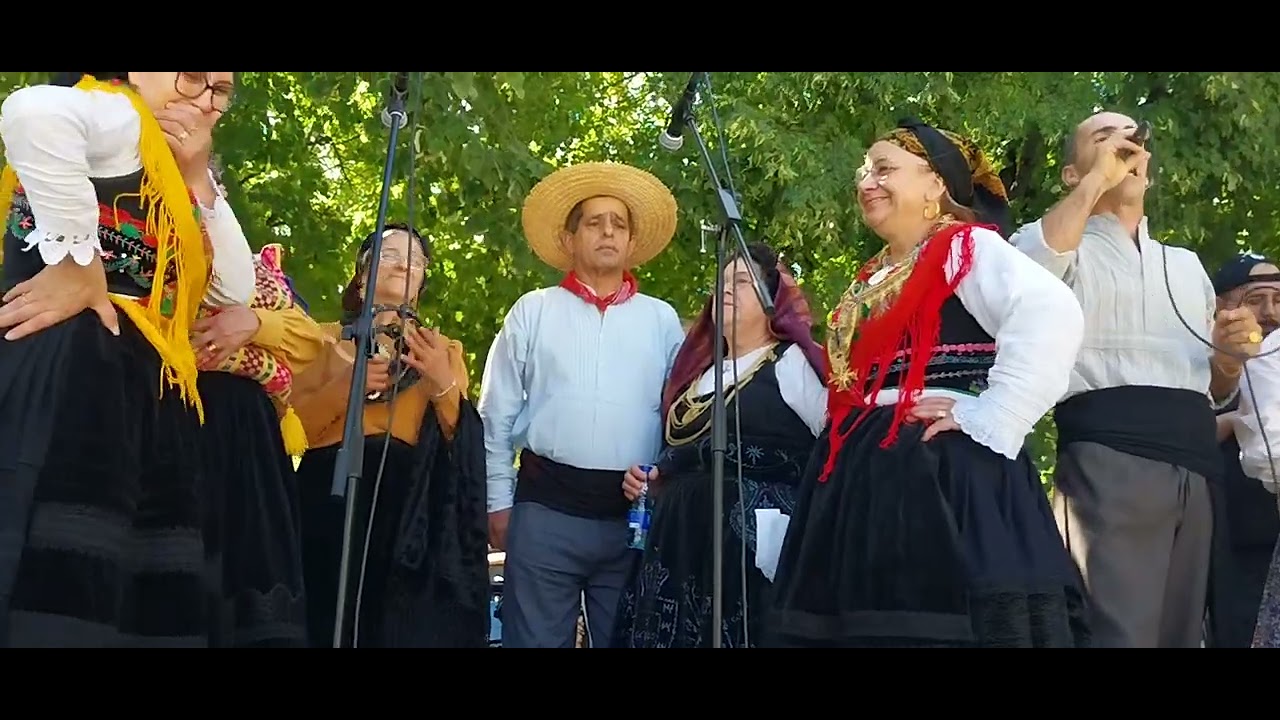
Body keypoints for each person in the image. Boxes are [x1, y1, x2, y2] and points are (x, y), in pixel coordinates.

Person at [768, 119, 1091, 648]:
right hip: (864, 479)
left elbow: (1048, 310)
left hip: (942, 475)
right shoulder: (871, 277)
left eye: (885, 168)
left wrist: (994, 414)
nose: (867, 181)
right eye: (864, 171)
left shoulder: (965, 248)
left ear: (936, 183)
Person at [0, 72, 255, 646]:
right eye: (192, 78)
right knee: (59, 575)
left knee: (124, 588)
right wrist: (75, 257)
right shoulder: (118, 117)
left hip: (141, 390)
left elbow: (232, 289)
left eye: (219, 90)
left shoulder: (172, 173)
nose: (204, 100)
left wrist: (196, 176)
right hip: (70, 369)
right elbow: (29, 112)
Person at [1010, 111, 1263, 648]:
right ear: (1071, 174)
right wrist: (1100, 179)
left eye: (1131, 138)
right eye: (1102, 139)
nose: (1123, 147)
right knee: (1113, 631)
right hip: (1111, 457)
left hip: (1194, 464)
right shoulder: (1057, 243)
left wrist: (1230, 360)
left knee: (1184, 633)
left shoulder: (1187, 265)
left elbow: (1211, 389)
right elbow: (1027, 274)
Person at [479, 161, 686, 648]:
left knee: (630, 639)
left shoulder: (662, 321)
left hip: (632, 517)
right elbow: (496, 414)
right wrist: (497, 502)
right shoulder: (534, 309)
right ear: (570, 239)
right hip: (544, 511)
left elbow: (684, 418)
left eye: (619, 224)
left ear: (632, 243)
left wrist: (664, 478)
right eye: (594, 222)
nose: (608, 232)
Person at [613, 241, 827, 648]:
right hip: (678, 546)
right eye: (722, 281)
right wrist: (654, 480)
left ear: (772, 302)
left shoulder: (792, 364)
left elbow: (835, 445)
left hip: (750, 555)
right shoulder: (696, 377)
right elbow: (685, 460)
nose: (726, 289)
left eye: (742, 281)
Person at [292, 222, 489, 648]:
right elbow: (293, 430)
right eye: (392, 255)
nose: (405, 264)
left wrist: (441, 384)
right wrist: (346, 389)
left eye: (415, 260)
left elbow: (461, 444)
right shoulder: (321, 340)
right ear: (362, 280)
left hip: (409, 512)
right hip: (330, 500)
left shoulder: (443, 349)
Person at [193, 232, 323, 647]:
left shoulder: (252, 270)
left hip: (250, 443)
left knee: (250, 572)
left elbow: (309, 341)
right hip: (169, 416)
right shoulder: (140, 249)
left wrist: (254, 323)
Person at [1203, 254, 1280, 647]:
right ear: (1223, 307)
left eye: (1278, 300)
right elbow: (1183, 428)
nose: (1269, 313)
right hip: (1234, 545)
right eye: (1254, 300)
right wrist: (1234, 421)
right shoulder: (1202, 364)